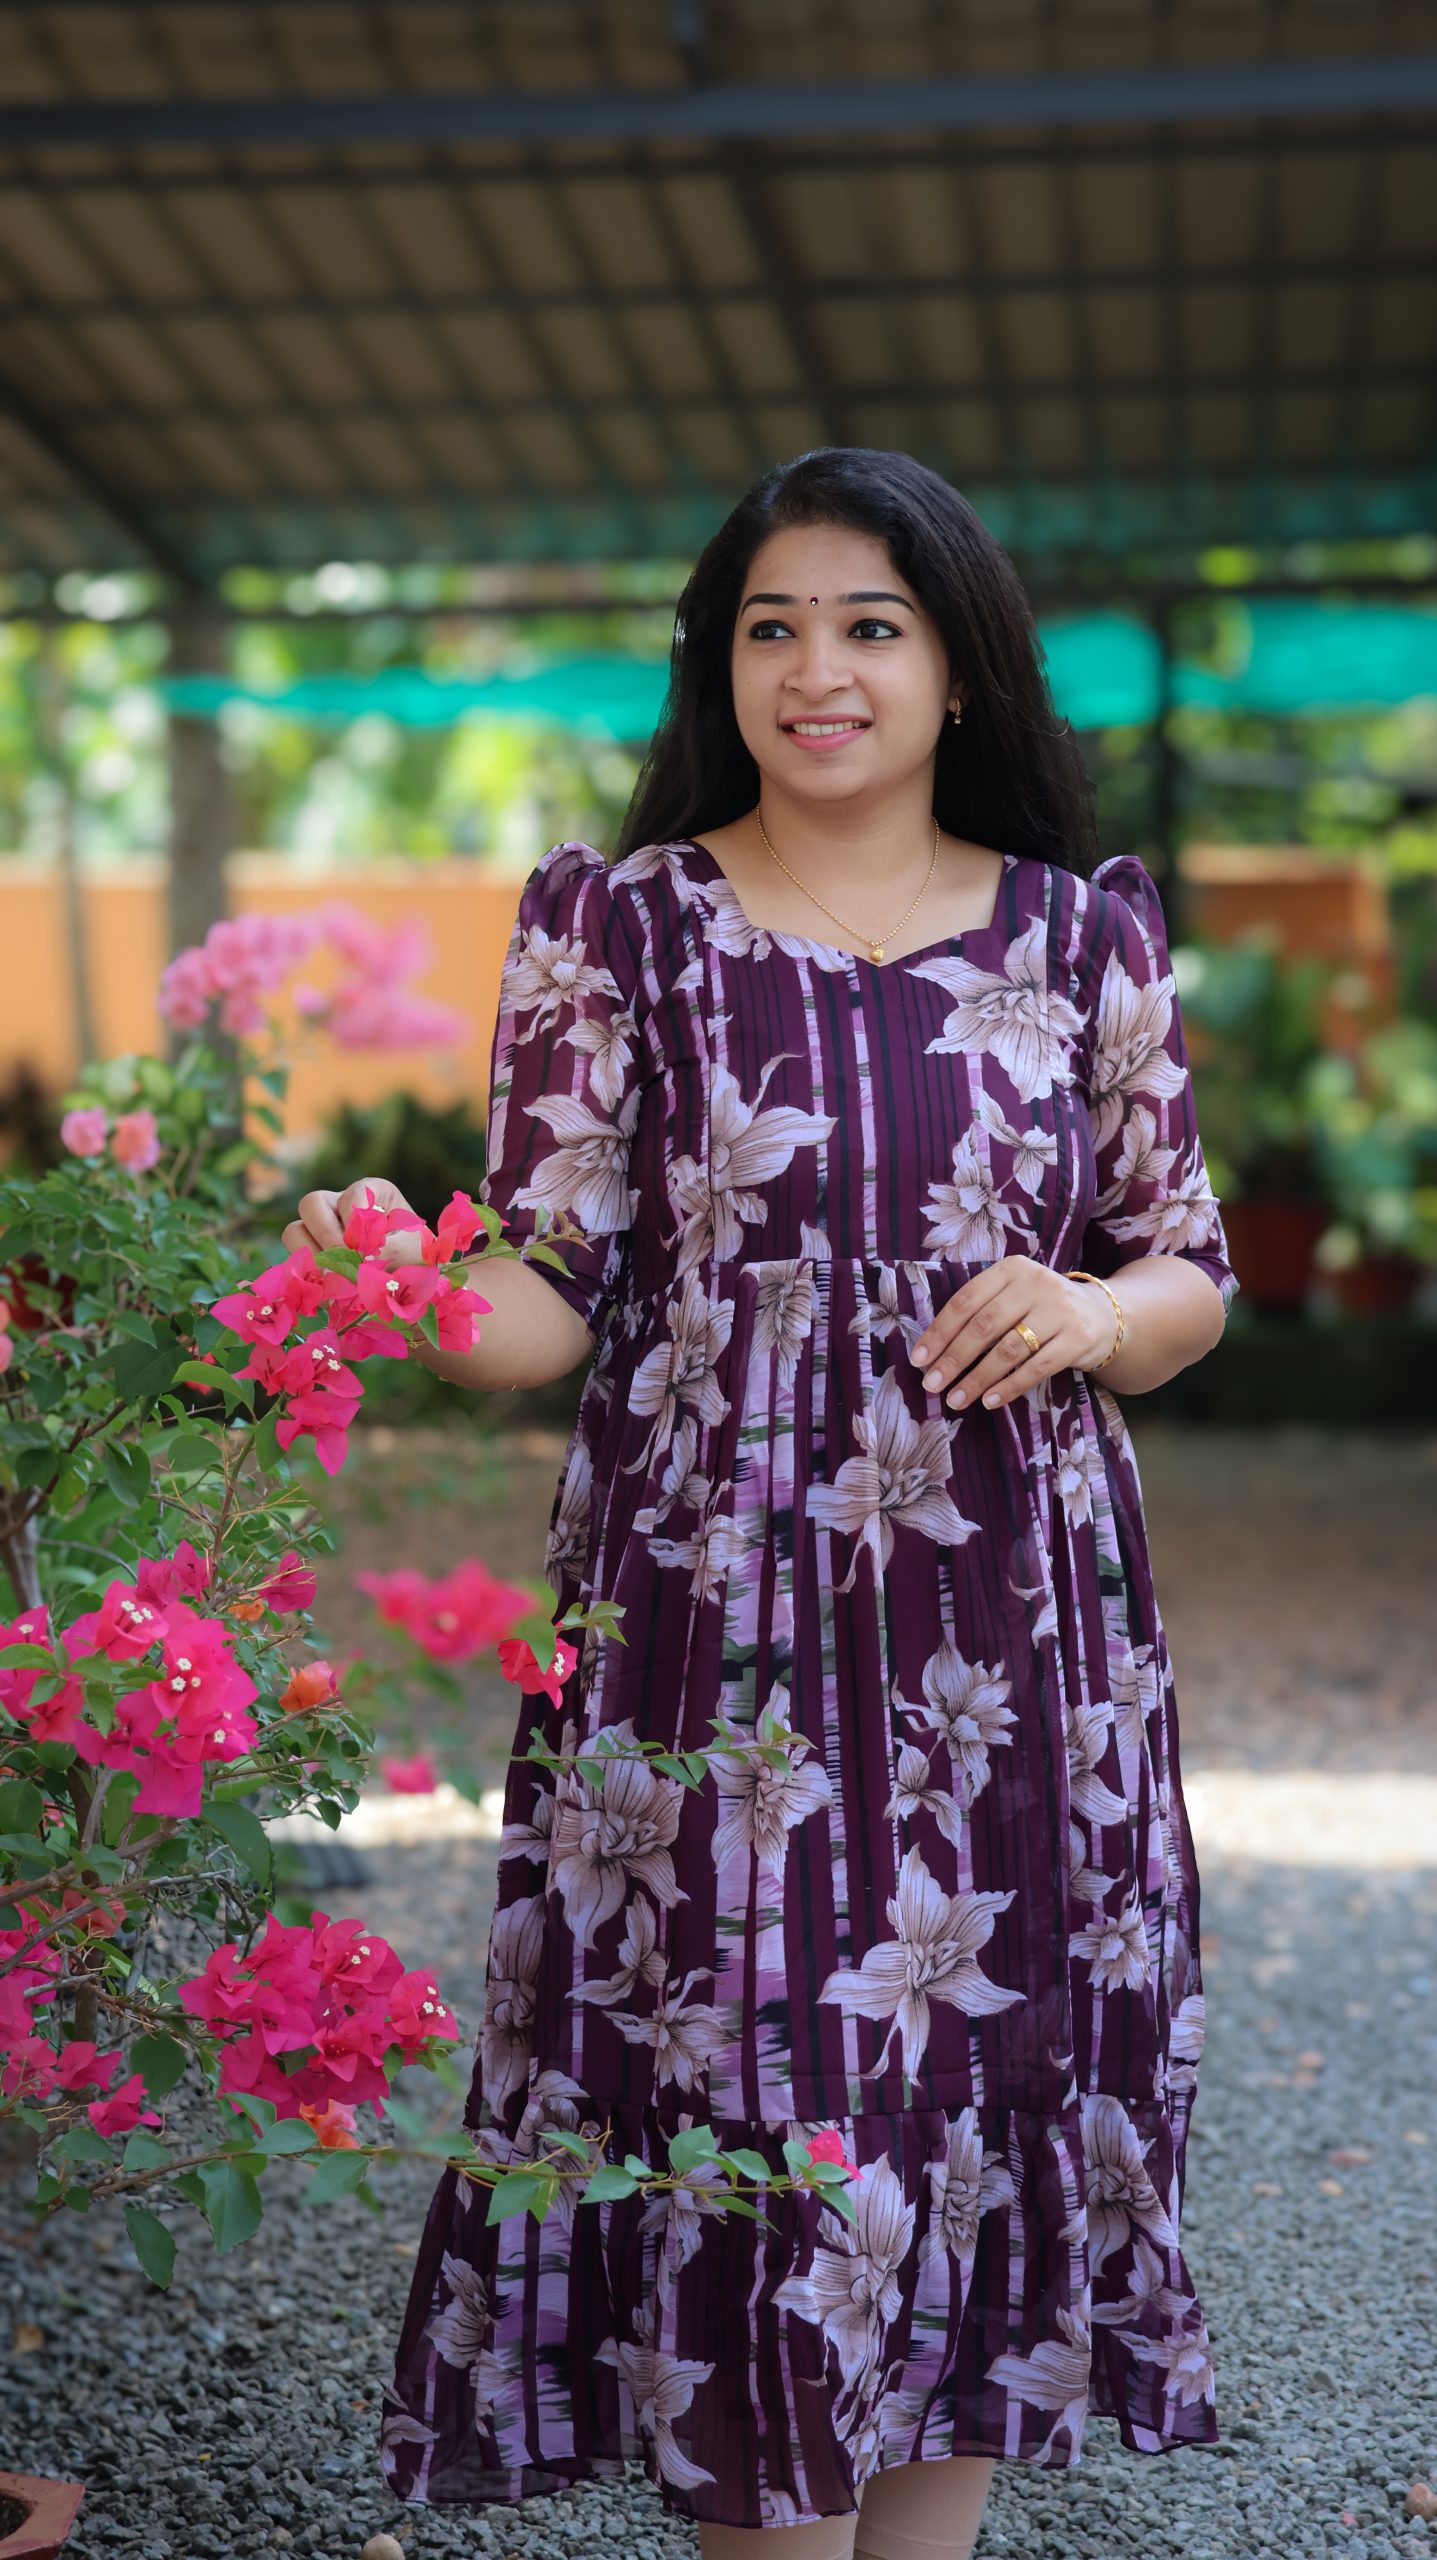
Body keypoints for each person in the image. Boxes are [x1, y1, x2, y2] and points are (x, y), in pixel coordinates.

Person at [284, 447, 1236, 2560]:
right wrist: (398, 1272)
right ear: (718, 666)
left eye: (869, 626)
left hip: (1015, 1637)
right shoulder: (623, 926)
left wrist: (1089, 1307)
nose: (818, 668)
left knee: (972, 2074)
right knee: (744, 2073)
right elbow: (543, 1291)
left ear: (957, 666)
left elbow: (1185, 1269)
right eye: (770, 627)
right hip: (715, 1622)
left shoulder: (1082, 935)